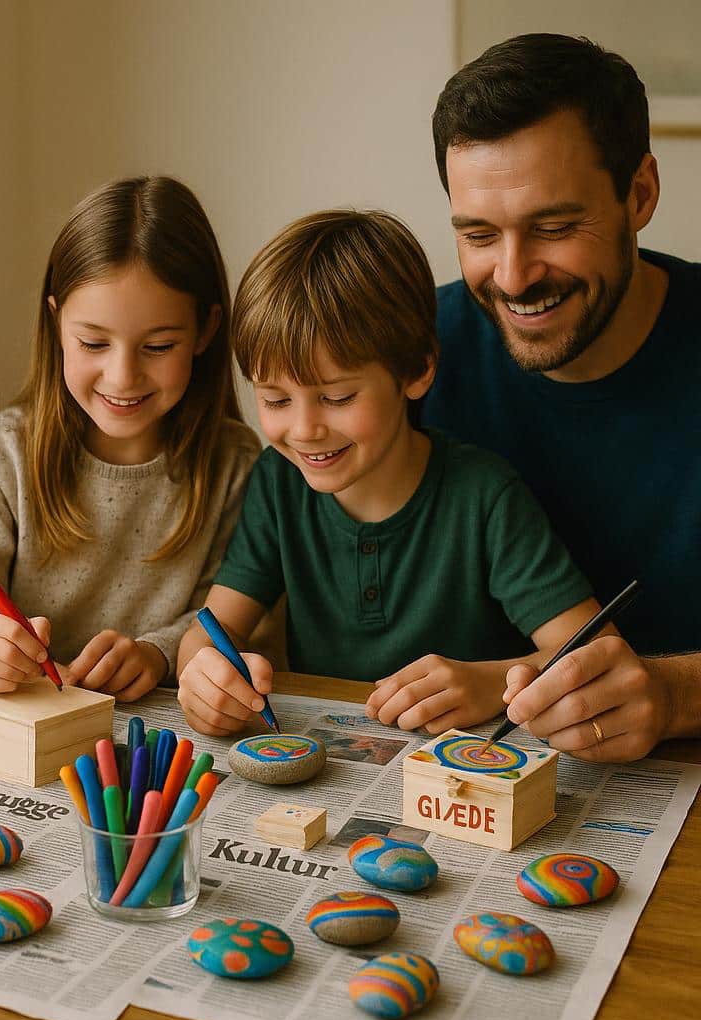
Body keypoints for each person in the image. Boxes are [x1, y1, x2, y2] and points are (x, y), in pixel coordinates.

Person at [176, 209, 601, 737]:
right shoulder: (278, 483)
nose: (304, 430)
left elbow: (593, 651)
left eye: (337, 397)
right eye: (276, 398)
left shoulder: (484, 495)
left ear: (418, 370)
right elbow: (210, 631)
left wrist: (492, 684)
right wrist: (202, 677)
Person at [425, 33, 701, 762]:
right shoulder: (409, 356)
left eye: (553, 226)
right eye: (480, 234)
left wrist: (674, 694)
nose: (513, 277)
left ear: (639, 194)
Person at [0, 176, 260, 702]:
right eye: (93, 342)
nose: (122, 377)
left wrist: (155, 653)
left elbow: (229, 615)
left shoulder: (234, 463)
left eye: (159, 346)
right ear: (56, 324)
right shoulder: (10, 449)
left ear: (206, 331)